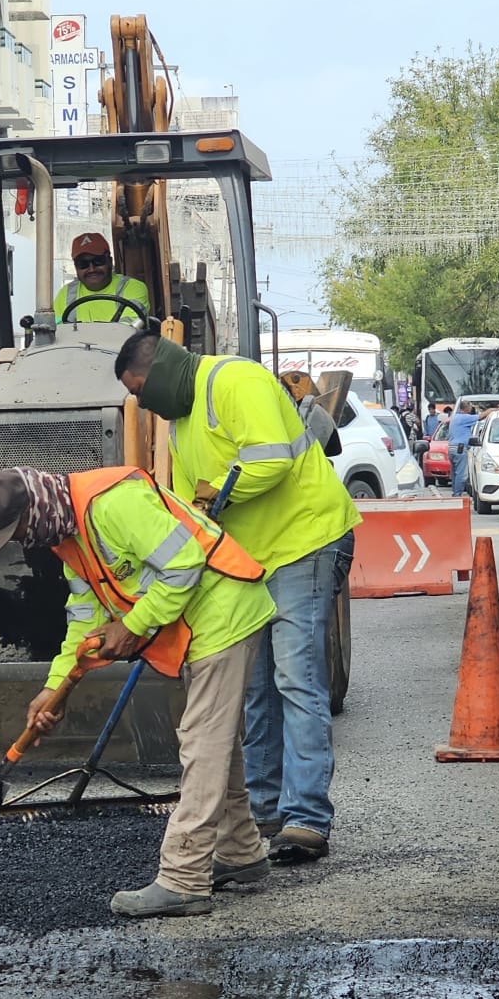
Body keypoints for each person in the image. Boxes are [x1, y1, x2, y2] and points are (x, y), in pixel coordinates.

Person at [0, 465, 276, 918]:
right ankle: (240, 851)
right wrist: (54, 687)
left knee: (202, 743)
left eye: (19, 531)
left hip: (223, 614)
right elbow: (83, 619)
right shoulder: (67, 535)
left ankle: (184, 878)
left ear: (35, 509)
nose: (23, 541)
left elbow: (185, 563)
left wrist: (132, 627)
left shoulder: (114, 503)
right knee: (216, 744)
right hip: (201, 626)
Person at [117, 331, 361, 864]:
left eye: (141, 391)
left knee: (296, 679)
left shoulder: (234, 379)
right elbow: (190, 513)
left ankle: (306, 818)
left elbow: (270, 460)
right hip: (250, 559)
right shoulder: (181, 425)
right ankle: (265, 809)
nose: (143, 404)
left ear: (157, 371)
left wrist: (216, 495)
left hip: (305, 540)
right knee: (255, 689)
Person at [53, 232, 151, 326]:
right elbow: (55, 332)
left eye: (98, 261)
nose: (91, 269)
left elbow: (128, 330)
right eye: (83, 264)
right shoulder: (65, 294)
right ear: (76, 267)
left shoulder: (133, 288)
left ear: (110, 261)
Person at [447, 401, 480, 497]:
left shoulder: (455, 417)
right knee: (461, 474)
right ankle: (457, 494)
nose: (471, 409)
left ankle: (455, 492)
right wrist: (493, 410)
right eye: (470, 407)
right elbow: (481, 416)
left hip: (452, 448)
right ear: (466, 408)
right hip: (460, 448)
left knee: (455, 473)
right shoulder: (464, 417)